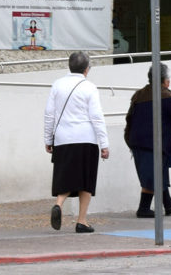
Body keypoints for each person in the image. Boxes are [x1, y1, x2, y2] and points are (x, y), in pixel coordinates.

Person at [44, 52, 109, 233]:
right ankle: (81, 221)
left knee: (66, 176)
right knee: (85, 180)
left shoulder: (57, 85)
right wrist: (104, 144)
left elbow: (49, 114)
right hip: (85, 138)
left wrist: (48, 139)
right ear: (87, 69)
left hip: (63, 138)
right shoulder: (89, 87)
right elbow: (96, 117)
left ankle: (59, 203)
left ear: (69, 66)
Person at [125, 63, 171, 218]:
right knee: (152, 175)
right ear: (164, 80)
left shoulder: (139, 95)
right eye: (168, 78)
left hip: (138, 141)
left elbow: (130, 118)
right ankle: (143, 209)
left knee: (157, 172)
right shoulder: (164, 96)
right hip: (153, 143)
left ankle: (168, 204)